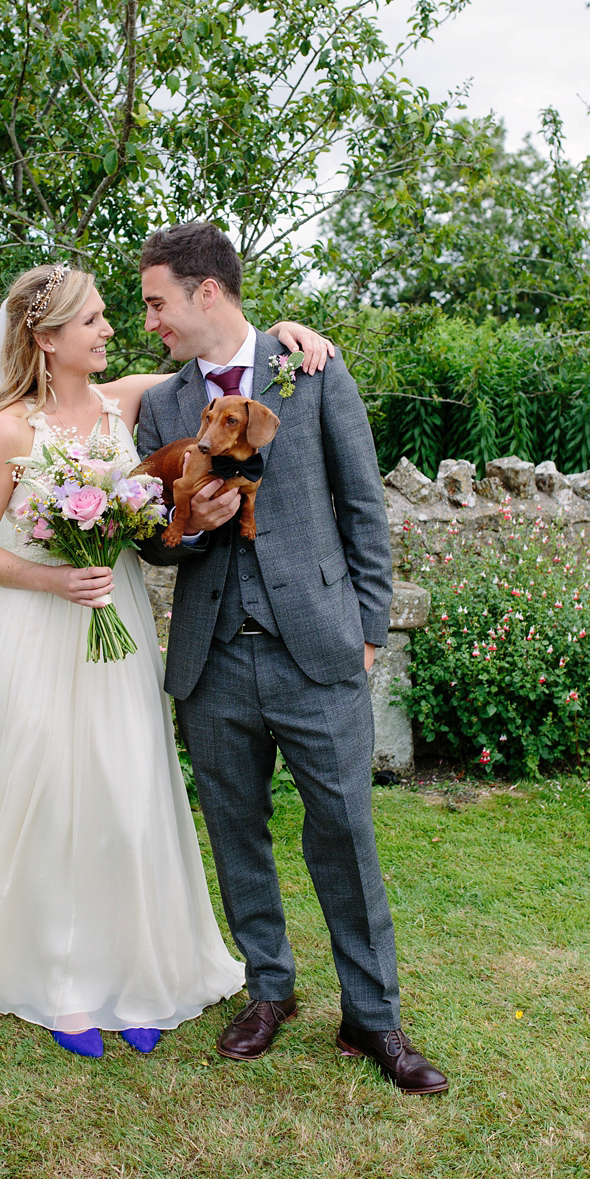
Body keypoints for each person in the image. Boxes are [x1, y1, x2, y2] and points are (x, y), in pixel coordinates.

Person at [0, 261, 330, 1058]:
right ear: (46, 340)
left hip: (114, 627)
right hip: (39, 628)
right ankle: (62, 988)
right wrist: (51, 577)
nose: (110, 330)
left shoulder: (129, 402)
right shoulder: (11, 429)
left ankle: (137, 975)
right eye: (92, 321)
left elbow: (222, 359)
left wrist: (290, 341)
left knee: (128, 796)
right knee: (53, 804)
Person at [136, 223, 449, 1094]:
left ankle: (373, 1018)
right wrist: (184, 533)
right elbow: (151, 543)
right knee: (237, 833)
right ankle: (268, 989)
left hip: (319, 651)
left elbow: (363, 506)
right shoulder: (162, 406)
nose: (152, 320)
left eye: (159, 302)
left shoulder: (309, 369)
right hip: (211, 663)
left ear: (207, 292)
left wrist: (369, 629)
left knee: (344, 834)